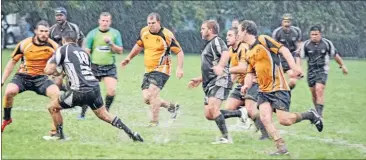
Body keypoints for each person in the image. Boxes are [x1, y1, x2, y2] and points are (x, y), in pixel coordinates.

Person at [238, 20, 323, 155]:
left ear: (246, 30)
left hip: (278, 87)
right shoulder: (248, 52)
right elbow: (250, 72)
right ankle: (281, 148)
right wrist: (246, 85)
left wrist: (294, 67)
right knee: (265, 118)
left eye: (239, 31)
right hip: (264, 90)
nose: (237, 34)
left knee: (285, 120)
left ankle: (310, 115)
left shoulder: (263, 40)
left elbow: (284, 50)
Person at [43, 30, 143, 142]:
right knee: (104, 115)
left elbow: (49, 70)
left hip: (79, 90)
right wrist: (60, 72)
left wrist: (48, 69)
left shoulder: (62, 49)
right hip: (94, 88)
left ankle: (59, 135)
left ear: (63, 40)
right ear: (76, 40)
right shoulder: (83, 52)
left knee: (52, 107)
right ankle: (131, 133)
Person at [121, 12, 184, 127]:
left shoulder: (167, 35)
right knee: (147, 98)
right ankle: (172, 107)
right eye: (149, 23)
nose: (151, 25)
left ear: (159, 22)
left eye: (153, 23)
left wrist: (179, 68)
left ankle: (154, 122)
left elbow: (179, 52)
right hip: (148, 70)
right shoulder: (144, 31)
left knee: (153, 93)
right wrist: (129, 58)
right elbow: (139, 45)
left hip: (162, 69)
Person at [1, 20, 60, 133]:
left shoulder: (53, 46)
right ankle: (7, 118)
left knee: (56, 94)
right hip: (23, 76)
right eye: (41, 31)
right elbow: (12, 62)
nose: (44, 34)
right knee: (9, 92)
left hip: (41, 78)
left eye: (46, 31)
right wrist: (2, 79)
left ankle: (55, 129)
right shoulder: (25, 44)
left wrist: (58, 72)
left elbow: (64, 60)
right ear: (36, 31)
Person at [188, 20, 234, 144]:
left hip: (220, 80)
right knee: (209, 114)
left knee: (213, 108)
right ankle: (240, 113)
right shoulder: (208, 44)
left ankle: (225, 137)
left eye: (203, 28)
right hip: (209, 82)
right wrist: (199, 78)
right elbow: (210, 67)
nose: (201, 31)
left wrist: (220, 66)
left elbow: (226, 53)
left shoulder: (217, 41)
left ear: (211, 30)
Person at [222, 27, 269, 140]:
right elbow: (234, 70)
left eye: (230, 35)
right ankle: (244, 113)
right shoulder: (230, 50)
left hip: (252, 82)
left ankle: (265, 134)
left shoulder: (243, 48)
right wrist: (228, 85)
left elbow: (243, 68)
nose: (227, 38)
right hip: (241, 84)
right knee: (229, 108)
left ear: (237, 37)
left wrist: (225, 70)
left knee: (251, 111)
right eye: (227, 35)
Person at [80, 12, 123, 119]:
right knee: (88, 91)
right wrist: (84, 65)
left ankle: (106, 111)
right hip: (94, 67)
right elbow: (87, 51)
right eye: (103, 20)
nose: (104, 23)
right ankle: (82, 113)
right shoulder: (92, 34)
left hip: (109, 67)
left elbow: (120, 51)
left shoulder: (115, 33)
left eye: (107, 21)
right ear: (99, 21)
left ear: (110, 22)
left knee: (111, 91)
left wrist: (111, 43)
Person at [299, 25, 348, 117]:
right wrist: (299, 69)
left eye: (316, 34)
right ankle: (317, 113)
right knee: (314, 94)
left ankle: (319, 115)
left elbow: (335, 55)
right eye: (312, 34)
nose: (314, 36)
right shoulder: (306, 45)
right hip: (311, 71)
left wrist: (342, 65)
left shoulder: (327, 44)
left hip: (322, 70)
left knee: (319, 89)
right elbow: (299, 57)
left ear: (320, 34)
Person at [49, 7, 85, 91]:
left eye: (61, 15)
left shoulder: (73, 27)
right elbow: (48, 45)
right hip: (59, 60)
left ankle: (72, 96)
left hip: (72, 59)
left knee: (72, 83)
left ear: (65, 16)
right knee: (57, 83)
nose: (59, 17)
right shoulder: (52, 30)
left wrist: (81, 52)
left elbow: (82, 39)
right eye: (57, 15)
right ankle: (65, 92)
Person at [272, 13, 302, 90]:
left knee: (292, 82)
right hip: (280, 59)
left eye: (288, 22)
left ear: (291, 22)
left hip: (291, 59)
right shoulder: (277, 32)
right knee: (275, 82)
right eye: (285, 21)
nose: (287, 24)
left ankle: (285, 91)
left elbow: (299, 46)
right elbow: (273, 47)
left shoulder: (296, 31)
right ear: (282, 22)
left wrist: (298, 66)